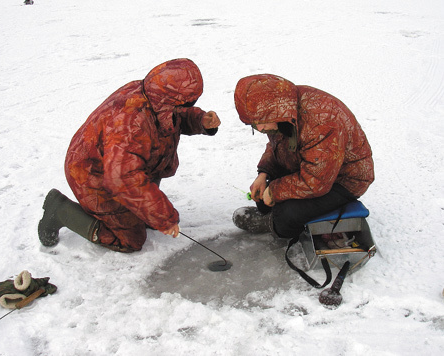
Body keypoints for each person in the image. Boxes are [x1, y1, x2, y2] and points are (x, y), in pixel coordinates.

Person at [38, 58, 221, 253]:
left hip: (122, 165)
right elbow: (123, 178)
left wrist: (200, 120)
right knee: (131, 239)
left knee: (142, 212)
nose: (187, 106)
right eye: (185, 103)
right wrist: (164, 218)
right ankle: (59, 210)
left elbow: (171, 116)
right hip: (92, 173)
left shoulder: (155, 95)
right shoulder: (130, 124)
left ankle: (138, 214)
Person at [232, 74, 374, 239]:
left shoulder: (322, 121)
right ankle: (272, 213)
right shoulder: (282, 109)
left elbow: (317, 182)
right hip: (308, 165)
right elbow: (276, 145)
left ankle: (274, 223)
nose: (260, 128)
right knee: (263, 198)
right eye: (254, 124)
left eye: (260, 122)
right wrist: (264, 174)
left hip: (342, 180)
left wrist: (275, 190)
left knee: (287, 215)